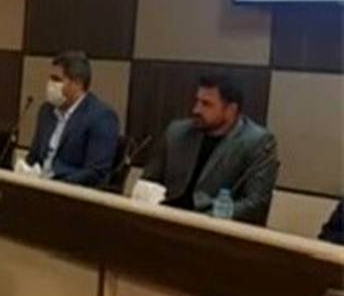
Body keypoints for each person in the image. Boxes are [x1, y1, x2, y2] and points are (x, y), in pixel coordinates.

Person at [142, 74, 279, 225]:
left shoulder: (257, 142)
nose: (196, 109)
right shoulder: (177, 132)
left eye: (206, 104)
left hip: (215, 227)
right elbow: (148, 183)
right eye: (197, 101)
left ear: (231, 110)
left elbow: (256, 204)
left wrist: (206, 220)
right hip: (165, 219)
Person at [25, 51, 119, 187]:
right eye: (50, 78)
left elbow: (96, 173)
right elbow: (33, 157)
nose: (50, 84)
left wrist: (56, 185)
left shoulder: (101, 117)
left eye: (57, 79)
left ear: (78, 83)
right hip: (37, 186)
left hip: (68, 190)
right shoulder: (46, 111)